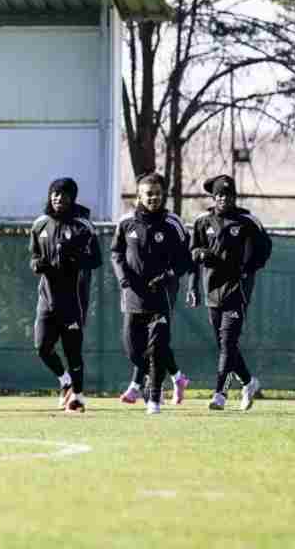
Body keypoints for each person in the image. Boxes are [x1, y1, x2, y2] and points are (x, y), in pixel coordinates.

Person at [111, 173, 194, 415]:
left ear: (163, 195)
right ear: (139, 196)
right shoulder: (126, 223)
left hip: (162, 296)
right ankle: (175, 378)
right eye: (148, 193)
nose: (153, 197)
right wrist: (124, 279)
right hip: (133, 296)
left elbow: (186, 259)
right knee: (133, 349)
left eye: (157, 193)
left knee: (157, 347)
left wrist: (169, 275)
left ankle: (154, 399)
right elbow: (116, 253)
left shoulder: (173, 224)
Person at [188, 174, 271, 411]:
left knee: (227, 343)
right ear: (214, 197)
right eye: (220, 194)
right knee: (226, 345)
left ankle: (220, 394)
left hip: (238, 290)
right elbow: (193, 253)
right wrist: (193, 284)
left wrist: (247, 269)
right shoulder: (203, 221)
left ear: (234, 196)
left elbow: (264, 249)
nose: (224, 198)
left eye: (228, 194)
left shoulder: (246, 221)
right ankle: (249, 382)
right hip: (211, 289)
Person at [29, 177, 102, 413]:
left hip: (73, 299)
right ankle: (65, 381)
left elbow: (96, 260)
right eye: (55, 194)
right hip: (46, 298)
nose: (59, 198)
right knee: (42, 347)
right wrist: (37, 264)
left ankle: (78, 397)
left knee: (73, 351)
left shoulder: (82, 225)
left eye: (64, 194)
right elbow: (33, 256)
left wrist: (73, 257)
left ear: (72, 198)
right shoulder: (40, 224)